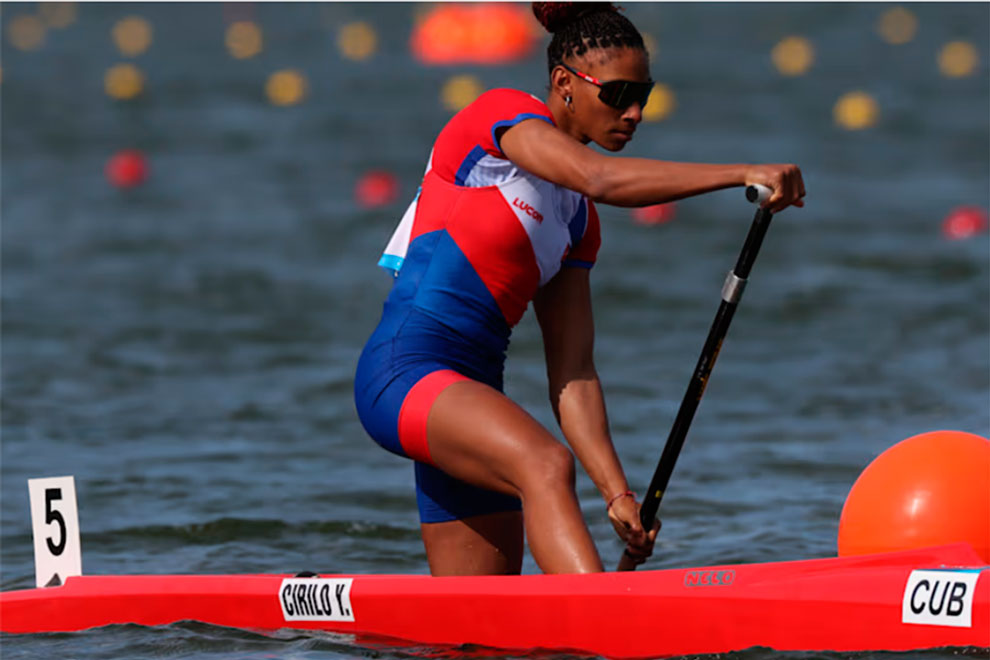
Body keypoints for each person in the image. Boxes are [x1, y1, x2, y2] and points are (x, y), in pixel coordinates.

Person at [354, 1, 805, 576]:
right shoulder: (498, 120)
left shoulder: (576, 222)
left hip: (473, 403)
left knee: (479, 631)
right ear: (565, 83)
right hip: (403, 373)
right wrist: (742, 173)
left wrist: (618, 494)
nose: (636, 112)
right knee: (544, 464)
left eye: (643, 95)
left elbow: (574, 372)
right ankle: (608, 629)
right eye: (618, 95)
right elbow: (600, 177)